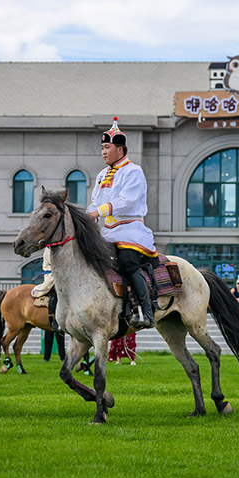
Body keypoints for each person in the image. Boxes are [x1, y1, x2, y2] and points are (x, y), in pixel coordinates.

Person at [88, 117, 157, 329]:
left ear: (120, 149)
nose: (103, 152)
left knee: (127, 261)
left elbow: (127, 200)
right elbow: (93, 203)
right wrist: (86, 216)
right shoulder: (102, 175)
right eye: (102, 147)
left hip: (130, 230)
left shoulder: (133, 171)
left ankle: (147, 312)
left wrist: (100, 211)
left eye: (107, 147)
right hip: (108, 231)